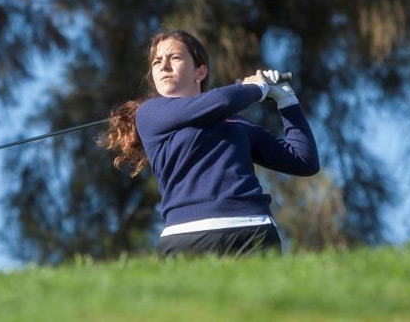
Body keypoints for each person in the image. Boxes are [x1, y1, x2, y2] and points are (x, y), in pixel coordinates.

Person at [100, 29, 319, 257]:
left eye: (174, 57)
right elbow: (223, 99)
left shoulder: (234, 122)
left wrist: (287, 100)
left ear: (200, 71)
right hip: (186, 236)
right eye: (157, 62)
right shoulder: (149, 113)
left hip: (251, 229)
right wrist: (257, 88)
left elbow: (304, 160)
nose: (164, 66)